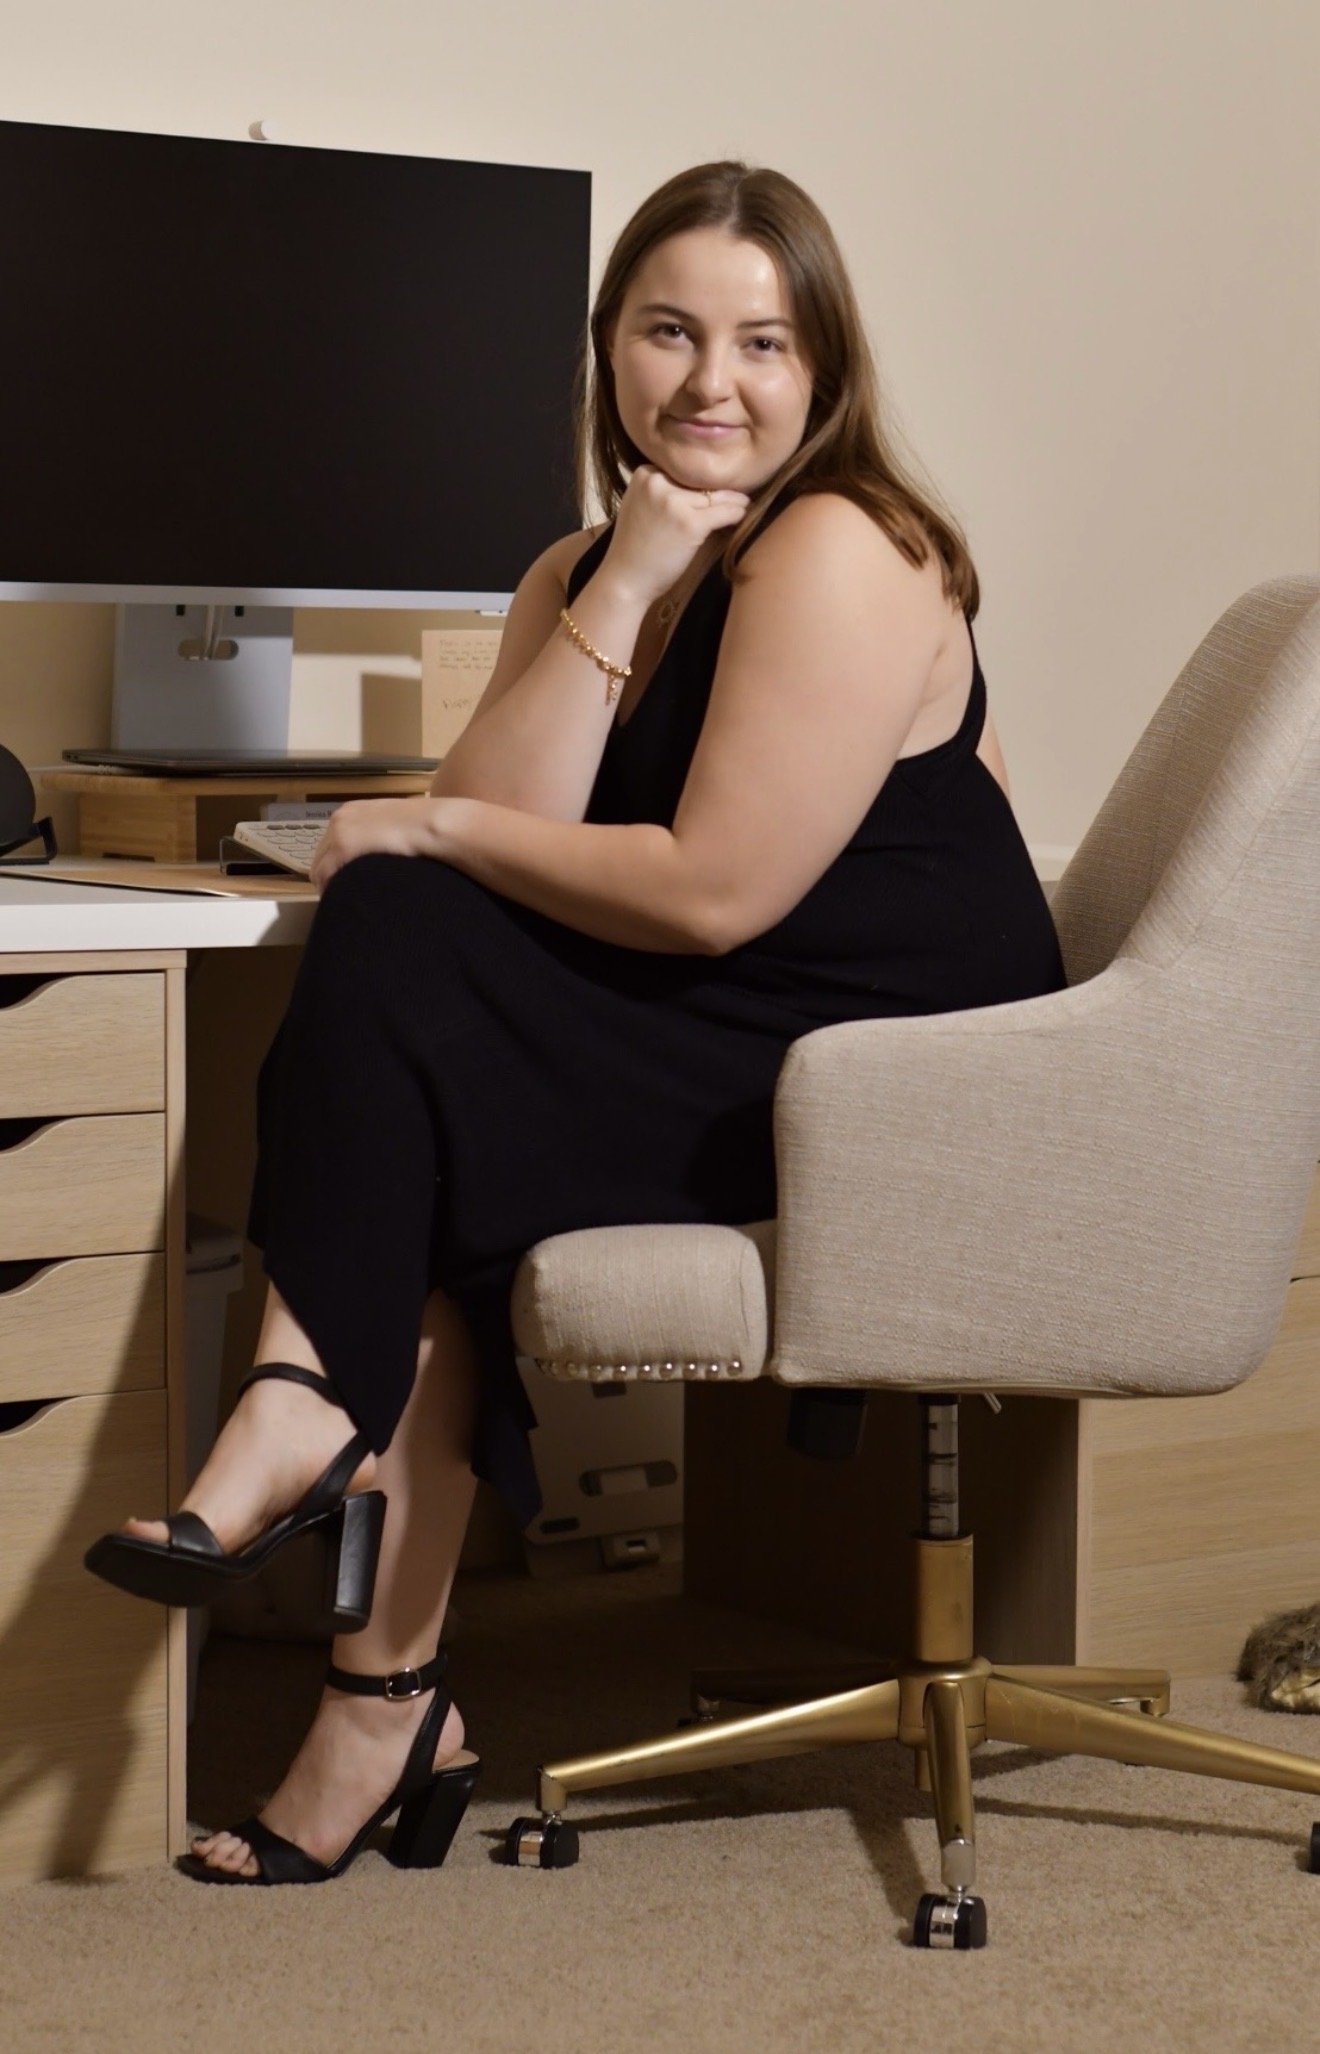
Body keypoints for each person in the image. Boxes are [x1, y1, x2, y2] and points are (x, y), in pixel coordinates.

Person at [84, 159, 1066, 1883]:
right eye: (670, 330)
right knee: (411, 1054)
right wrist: (617, 586)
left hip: (906, 1078)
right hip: (734, 1029)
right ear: (606, 350)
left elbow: (706, 893)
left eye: (766, 343)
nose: (714, 381)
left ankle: (329, 1498)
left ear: (826, 374)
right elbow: (481, 848)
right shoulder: (587, 562)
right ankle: (376, 1677)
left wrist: (431, 826)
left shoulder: (846, 546)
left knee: (412, 1030)